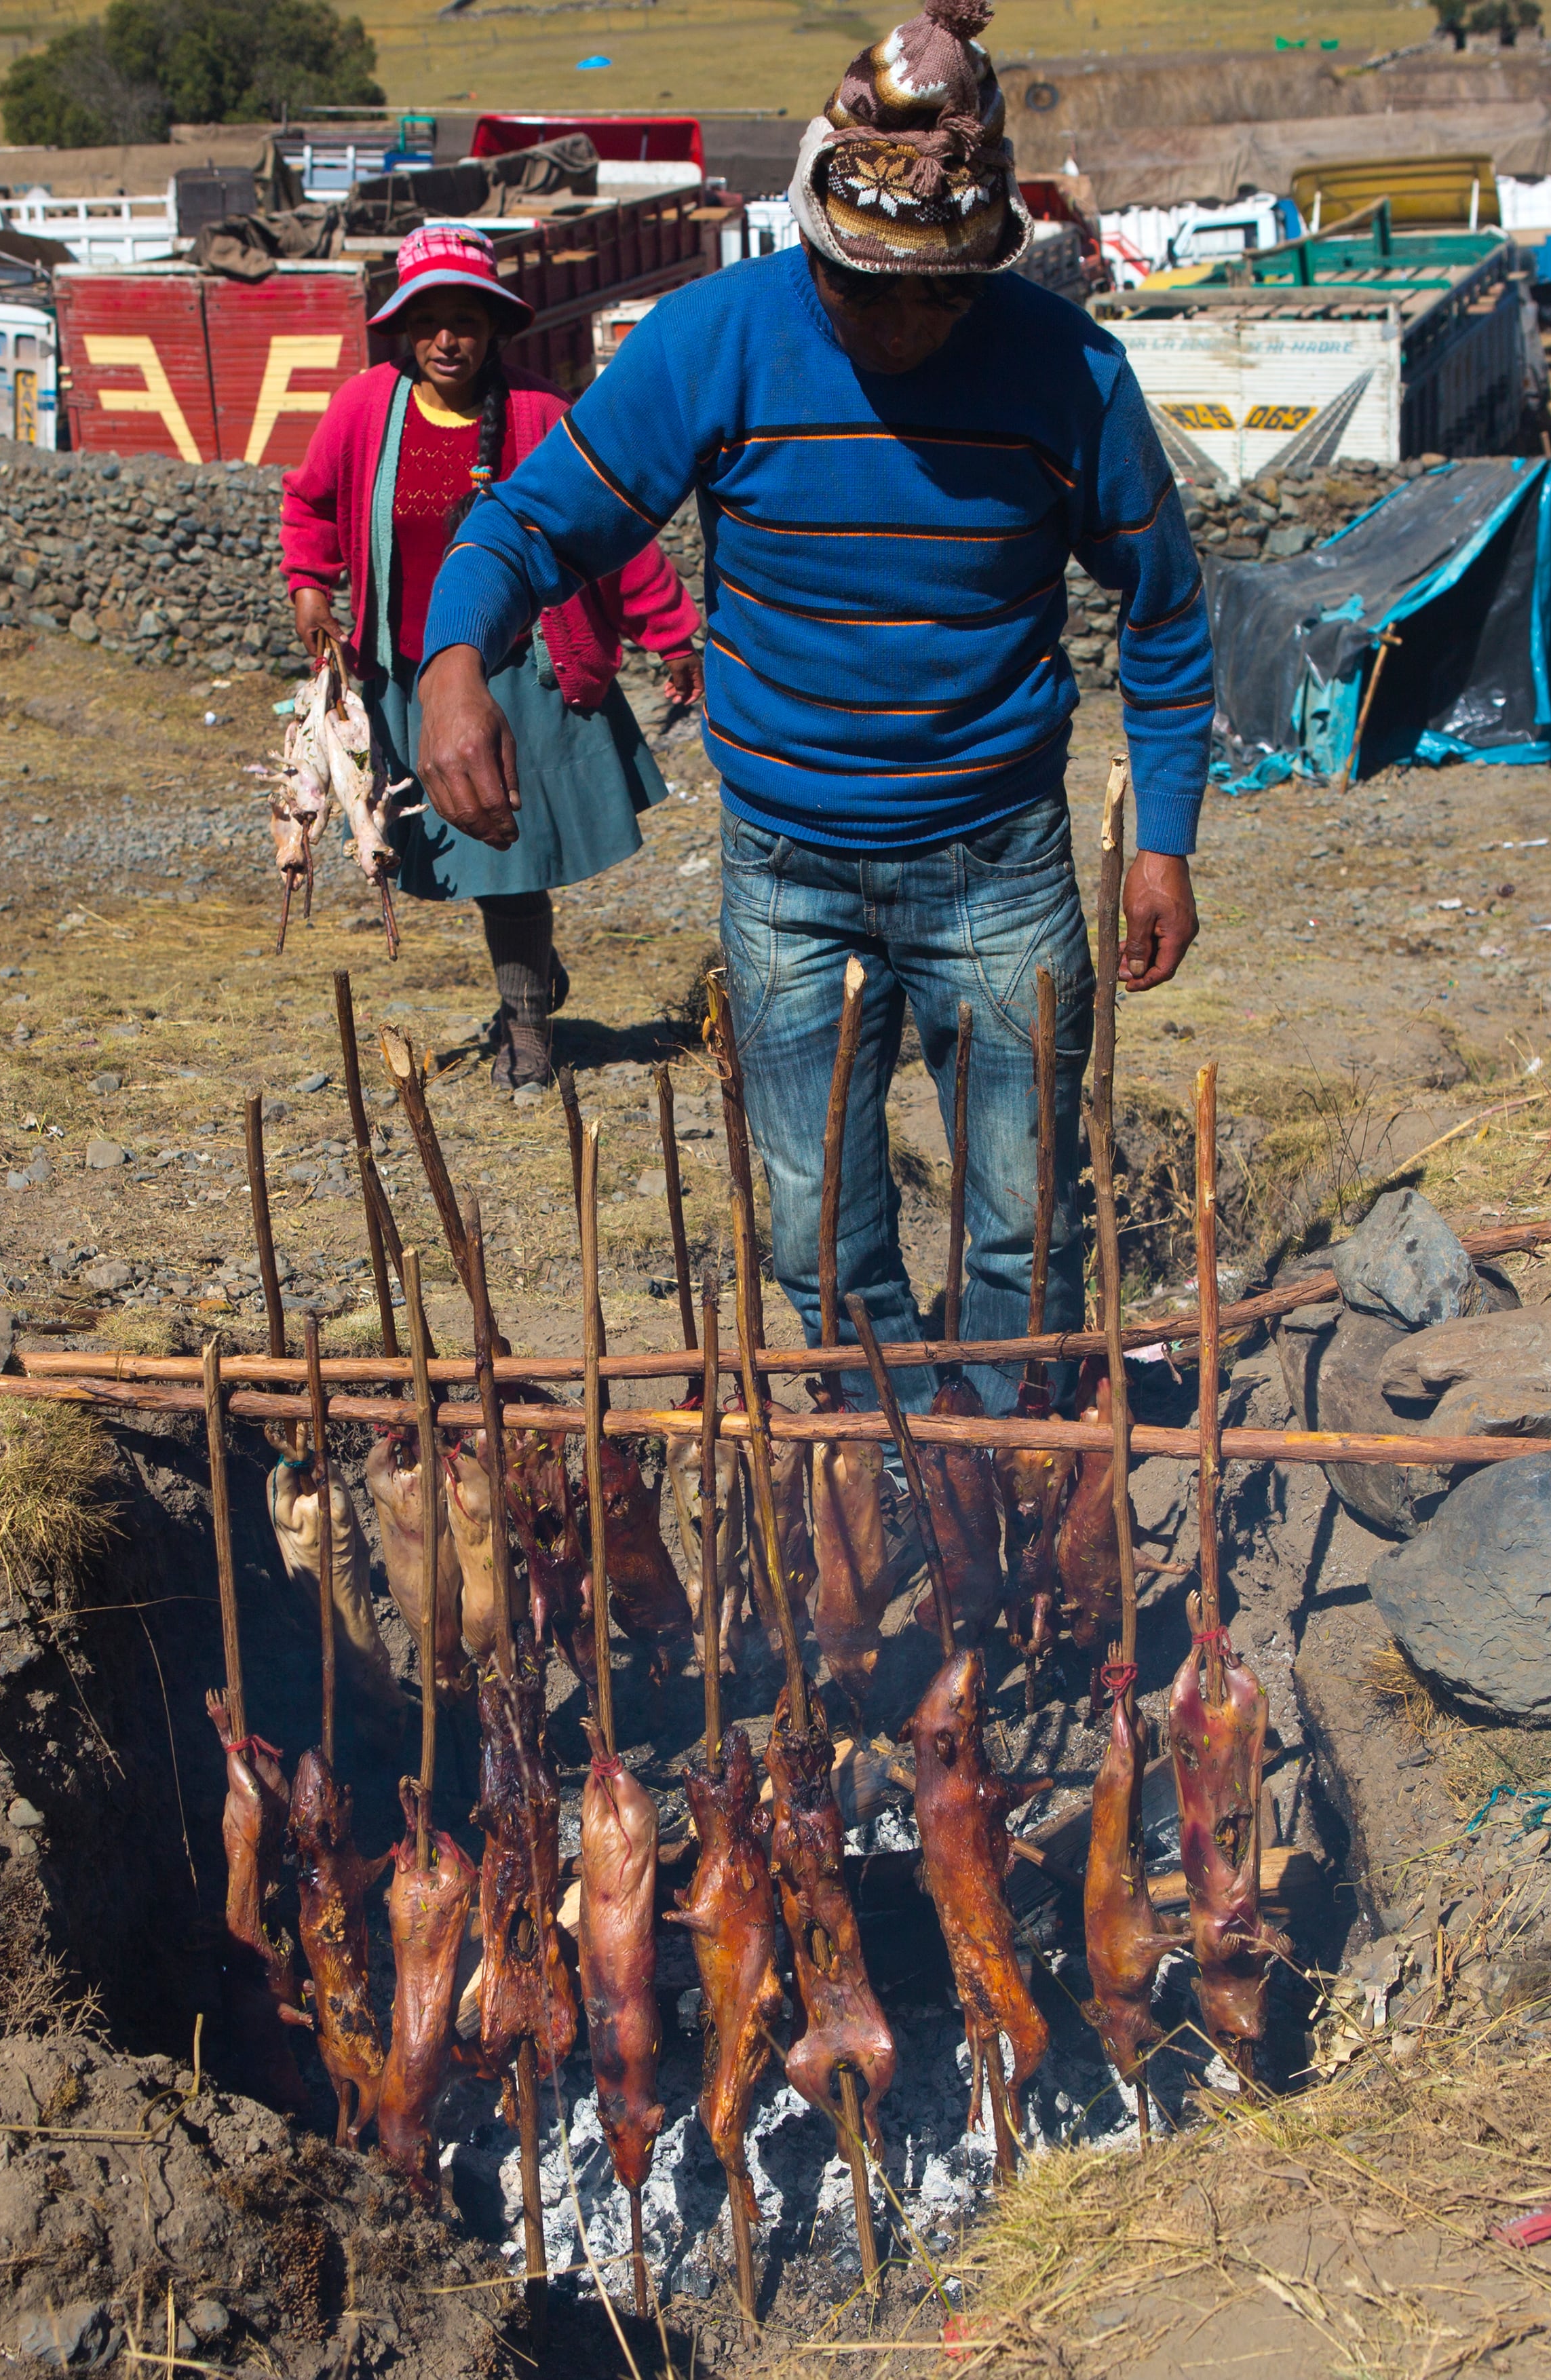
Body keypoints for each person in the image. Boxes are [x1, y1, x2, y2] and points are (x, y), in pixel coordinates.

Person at [413, 0, 1213, 1398]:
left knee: (1025, 1222)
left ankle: (1005, 1473)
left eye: (941, 289)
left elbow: (1161, 608)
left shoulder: (1067, 372)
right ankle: (901, 1473)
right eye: (868, 285)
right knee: (813, 1235)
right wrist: (451, 659)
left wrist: (1162, 841)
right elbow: (527, 529)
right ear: (810, 236)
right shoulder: (712, 343)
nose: (906, 321)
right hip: (786, 880)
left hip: (1001, 868)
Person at [281, 225, 704, 1088]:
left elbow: (609, 535)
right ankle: (535, 981)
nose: (447, 341)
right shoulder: (364, 410)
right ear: (404, 328)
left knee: (507, 860)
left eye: (465, 321)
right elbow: (311, 505)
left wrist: (670, 631)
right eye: (428, 321)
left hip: (518, 668)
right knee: (470, 863)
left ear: (494, 328)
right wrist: (309, 588)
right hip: (406, 669)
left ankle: (525, 1028)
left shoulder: (541, 417)